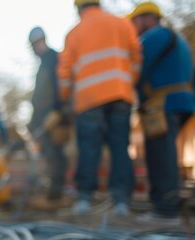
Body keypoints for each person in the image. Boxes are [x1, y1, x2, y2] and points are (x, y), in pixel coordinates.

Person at [58, 0, 142, 215]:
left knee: (89, 148)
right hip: (120, 93)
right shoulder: (121, 24)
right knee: (119, 146)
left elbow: (65, 72)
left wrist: (65, 98)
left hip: (89, 99)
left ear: (78, 8)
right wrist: (126, 82)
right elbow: (136, 56)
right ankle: (121, 200)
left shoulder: (74, 33)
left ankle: (84, 197)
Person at [127, 1, 195, 224]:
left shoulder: (152, 38)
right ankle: (168, 207)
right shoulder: (182, 42)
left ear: (148, 18)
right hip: (183, 104)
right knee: (168, 153)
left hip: (162, 105)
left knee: (161, 156)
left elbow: (136, 69)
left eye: (135, 21)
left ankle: (166, 211)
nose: (134, 26)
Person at [27, 26, 68, 208]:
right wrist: (33, 122)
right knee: (47, 153)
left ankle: (55, 194)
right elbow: (39, 96)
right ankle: (51, 191)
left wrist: (59, 111)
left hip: (53, 115)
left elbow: (60, 87)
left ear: (40, 41)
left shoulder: (53, 59)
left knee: (55, 153)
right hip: (44, 117)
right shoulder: (44, 62)